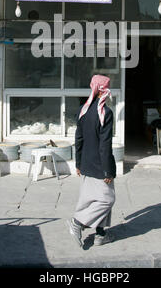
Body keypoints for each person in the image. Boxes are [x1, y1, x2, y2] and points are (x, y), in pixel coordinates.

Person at [67, 74, 116, 248]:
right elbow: (105, 145)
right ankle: (77, 223)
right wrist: (108, 170)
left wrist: (78, 163)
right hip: (100, 165)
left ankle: (101, 235)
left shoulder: (83, 110)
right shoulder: (106, 113)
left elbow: (78, 139)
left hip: (86, 163)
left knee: (91, 199)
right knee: (106, 200)